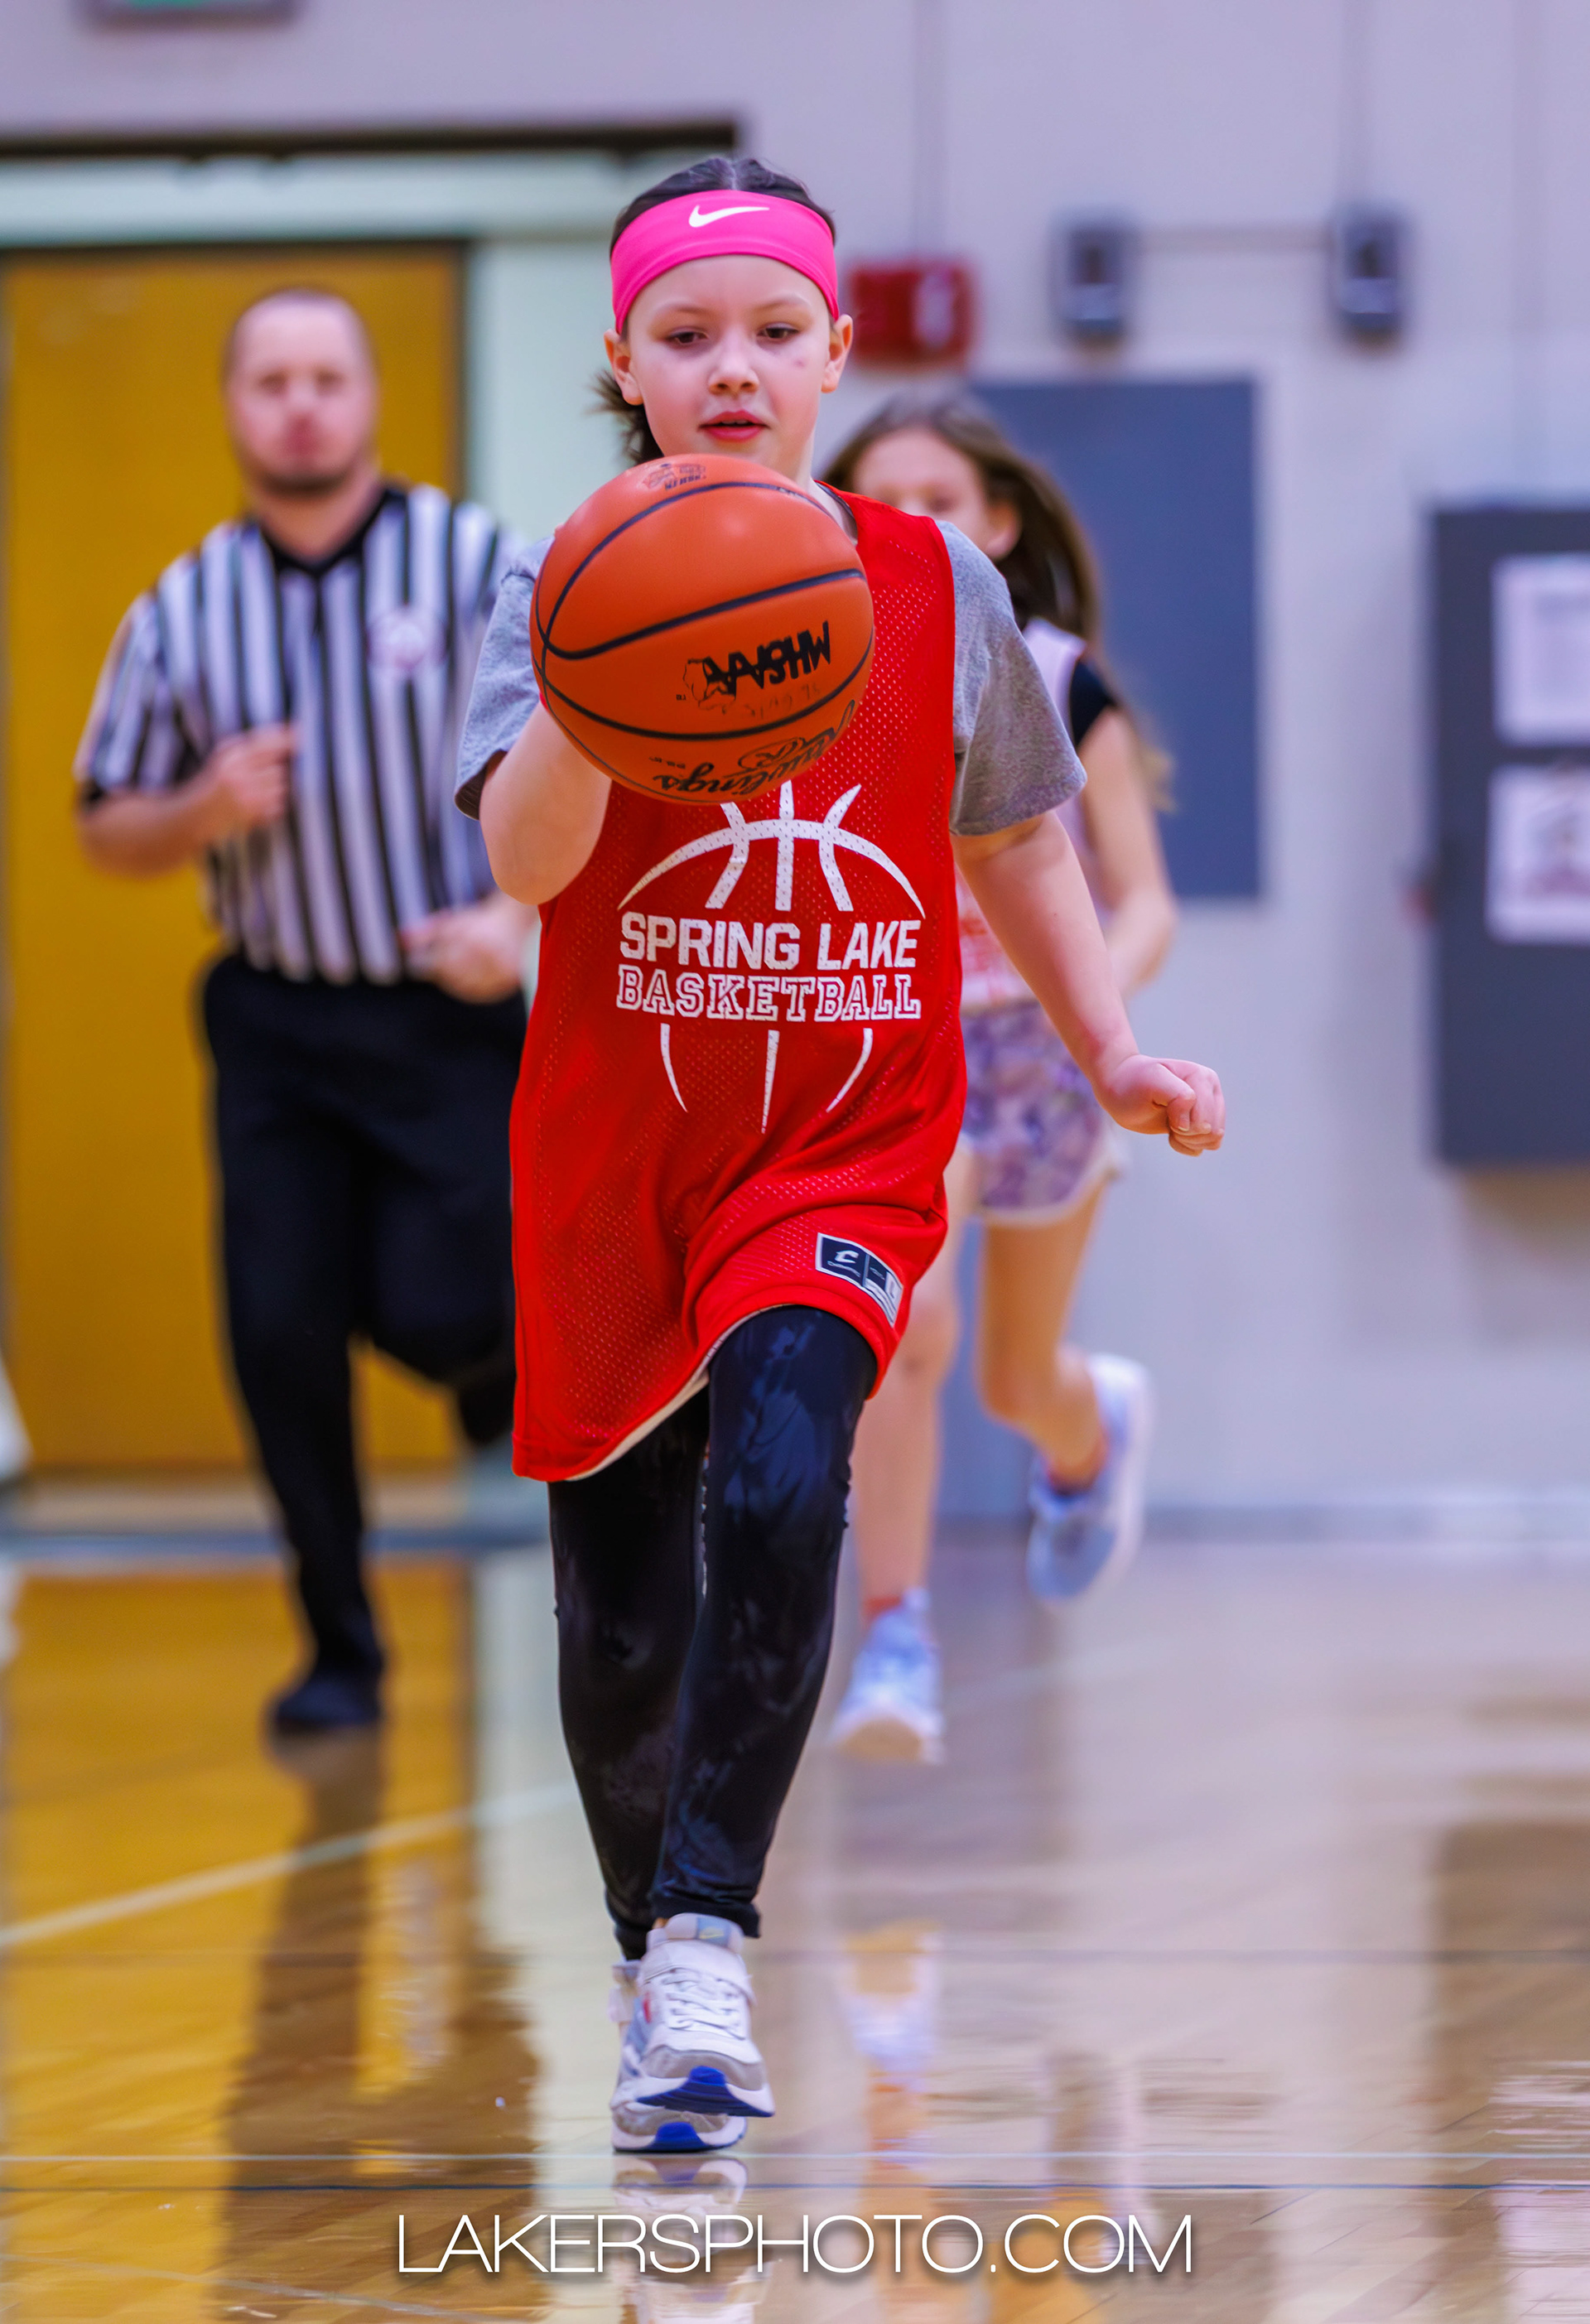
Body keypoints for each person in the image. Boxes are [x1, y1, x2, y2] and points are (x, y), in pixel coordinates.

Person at [455, 154, 1223, 2158]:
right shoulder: (548, 575)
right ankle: (648, 1948)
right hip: (622, 1154)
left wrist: (1112, 1046)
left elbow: (1016, 836)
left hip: (841, 1142)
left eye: (773, 332)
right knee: (622, 1632)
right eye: (688, 335)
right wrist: (605, 673)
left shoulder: (933, 580)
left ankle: (712, 1929)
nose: (733, 367)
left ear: (833, 352)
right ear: (624, 360)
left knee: (791, 1478)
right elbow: (527, 861)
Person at [76, 288, 535, 1737]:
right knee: (279, 1334)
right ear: (234, 406)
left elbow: (584, 765)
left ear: (369, 396)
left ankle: (487, 1372)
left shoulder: (473, 562)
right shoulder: (182, 604)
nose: (299, 404)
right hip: (277, 1020)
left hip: (449, 1007)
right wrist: (196, 810)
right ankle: (341, 1646)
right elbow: (103, 822)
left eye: (324, 376)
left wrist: (520, 921)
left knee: (458, 1307)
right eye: (270, 379)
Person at [823, 393, 1178, 1764]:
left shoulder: (1062, 678)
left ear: (1000, 524)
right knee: (906, 1324)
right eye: (884, 500)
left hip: (1044, 1046)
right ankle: (895, 1635)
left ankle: (1090, 1434)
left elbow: (1143, 901)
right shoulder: (814, 668)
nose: (914, 523)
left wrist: (1098, 1021)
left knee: (1015, 1381)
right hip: (900, 1035)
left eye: (943, 500)